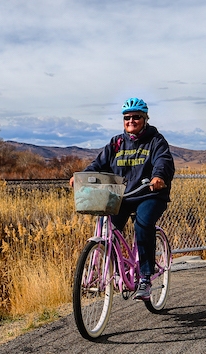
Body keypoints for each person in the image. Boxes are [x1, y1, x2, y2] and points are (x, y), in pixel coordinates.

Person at [71, 97, 174, 301]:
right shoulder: (117, 142)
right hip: (123, 196)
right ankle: (118, 270)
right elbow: (99, 163)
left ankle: (145, 276)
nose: (131, 121)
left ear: (145, 118)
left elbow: (163, 161)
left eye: (136, 117)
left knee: (142, 225)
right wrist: (81, 176)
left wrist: (159, 177)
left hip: (149, 194)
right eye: (127, 117)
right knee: (110, 228)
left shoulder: (156, 140)